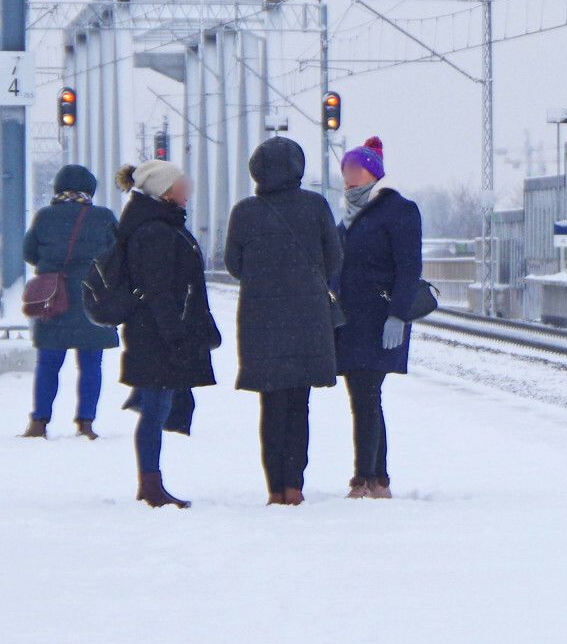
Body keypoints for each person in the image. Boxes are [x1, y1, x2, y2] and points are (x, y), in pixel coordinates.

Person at [225, 136, 342, 506]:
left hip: (261, 320)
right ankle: (294, 485)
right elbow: (334, 258)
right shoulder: (316, 206)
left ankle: (275, 488)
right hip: (308, 317)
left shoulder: (244, 212)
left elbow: (234, 264)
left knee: (271, 405)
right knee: (299, 404)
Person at [115, 159, 220, 509]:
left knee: (156, 406)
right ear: (164, 190)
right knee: (155, 409)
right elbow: (158, 289)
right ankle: (151, 484)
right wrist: (175, 335)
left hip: (155, 330)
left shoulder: (157, 223)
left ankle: (151, 482)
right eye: (181, 184)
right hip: (156, 335)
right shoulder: (155, 231)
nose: (188, 189)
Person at [334, 136, 422, 499]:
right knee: (364, 397)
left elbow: (409, 267)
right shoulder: (347, 215)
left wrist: (398, 316)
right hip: (349, 320)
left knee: (367, 395)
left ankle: (364, 478)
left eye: (354, 169)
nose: (348, 176)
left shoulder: (398, 210)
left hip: (380, 318)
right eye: (345, 170)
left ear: (372, 172)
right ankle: (377, 477)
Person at [21, 164, 120, 440]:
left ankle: (39, 422)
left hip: (54, 298)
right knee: (91, 364)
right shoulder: (104, 217)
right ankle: (86, 423)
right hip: (94, 297)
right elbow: (118, 254)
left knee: (49, 362)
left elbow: (29, 251)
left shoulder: (45, 217)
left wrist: (52, 264)